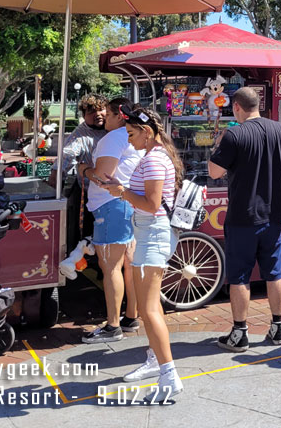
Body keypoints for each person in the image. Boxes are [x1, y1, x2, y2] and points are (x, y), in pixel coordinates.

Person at [208, 87, 281, 353]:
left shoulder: (234, 134)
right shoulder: (280, 130)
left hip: (242, 216)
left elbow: (214, 172)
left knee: (239, 275)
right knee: (275, 271)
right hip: (273, 214)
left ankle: (240, 332)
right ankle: (278, 326)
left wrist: (218, 143)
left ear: (237, 107)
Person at [103, 105, 183, 396]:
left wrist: (121, 191)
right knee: (152, 307)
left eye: (132, 133)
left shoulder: (153, 160)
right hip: (150, 232)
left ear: (147, 132)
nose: (129, 140)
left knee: (148, 310)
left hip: (153, 233)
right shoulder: (157, 156)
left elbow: (151, 203)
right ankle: (156, 360)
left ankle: (169, 375)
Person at [79, 97, 142, 343]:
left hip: (110, 206)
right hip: (127, 203)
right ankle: (130, 316)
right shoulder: (132, 136)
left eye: (107, 112)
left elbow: (103, 176)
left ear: (119, 115)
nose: (103, 117)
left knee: (111, 266)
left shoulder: (113, 139)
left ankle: (113, 325)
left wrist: (84, 169)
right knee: (129, 263)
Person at [62, 96, 109, 246]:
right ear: (84, 116)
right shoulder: (80, 134)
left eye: (101, 109)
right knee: (90, 239)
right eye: (91, 111)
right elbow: (66, 157)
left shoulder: (116, 128)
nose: (98, 114)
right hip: (90, 196)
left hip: (117, 195)